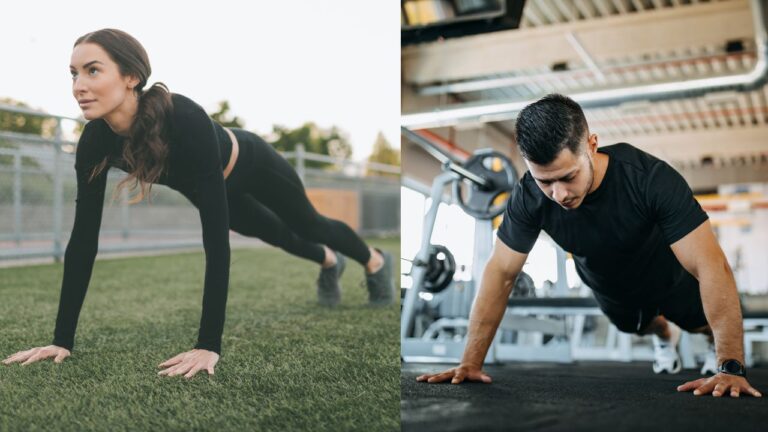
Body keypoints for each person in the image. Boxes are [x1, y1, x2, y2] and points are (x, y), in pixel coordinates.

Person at [1, 28, 394, 378]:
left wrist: (209, 344)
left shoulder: (182, 115)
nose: (78, 85)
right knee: (274, 234)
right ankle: (329, 261)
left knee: (309, 225)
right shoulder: (95, 141)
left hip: (252, 164)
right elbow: (83, 238)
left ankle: (375, 261)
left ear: (131, 76)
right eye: (73, 73)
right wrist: (61, 339)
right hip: (209, 187)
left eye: (92, 70)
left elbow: (214, 241)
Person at [416, 94, 761, 398]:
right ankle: (662, 334)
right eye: (546, 182)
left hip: (667, 271)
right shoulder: (529, 196)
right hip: (608, 281)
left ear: (592, 145)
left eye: (568, 176)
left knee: (699, 323)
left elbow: (711, 265)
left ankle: (706, 344)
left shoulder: (649, 179)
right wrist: (470, 363)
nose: (559, 194)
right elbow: (501, 272)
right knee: (638, 325)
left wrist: (731, 365)